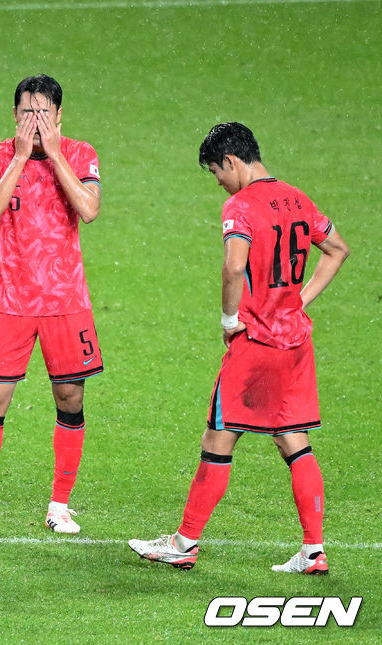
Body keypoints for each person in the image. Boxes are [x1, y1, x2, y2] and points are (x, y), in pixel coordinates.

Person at [128, 122, 349, 573]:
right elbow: (337, 250)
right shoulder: (297, 198)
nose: (218, 183)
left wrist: (230, 319)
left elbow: (234, 267)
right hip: (295, 343)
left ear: (230, 161)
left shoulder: (241, 205)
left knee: (218, 438)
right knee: (293, 440)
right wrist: (297, 300)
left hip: (257, 344)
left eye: (215, 172)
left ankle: (184, 542)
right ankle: (313, 550)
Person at [0, 74, 102, 538]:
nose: (36, 120)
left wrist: (53, 156)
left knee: (70, 398)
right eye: (28, 112)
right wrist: (18, 158)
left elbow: (89, 210)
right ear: (14, 115)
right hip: (10, 302)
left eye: (44, 112)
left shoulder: (80, 153)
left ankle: (60, 505)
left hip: (66, 302)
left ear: (59, 116)